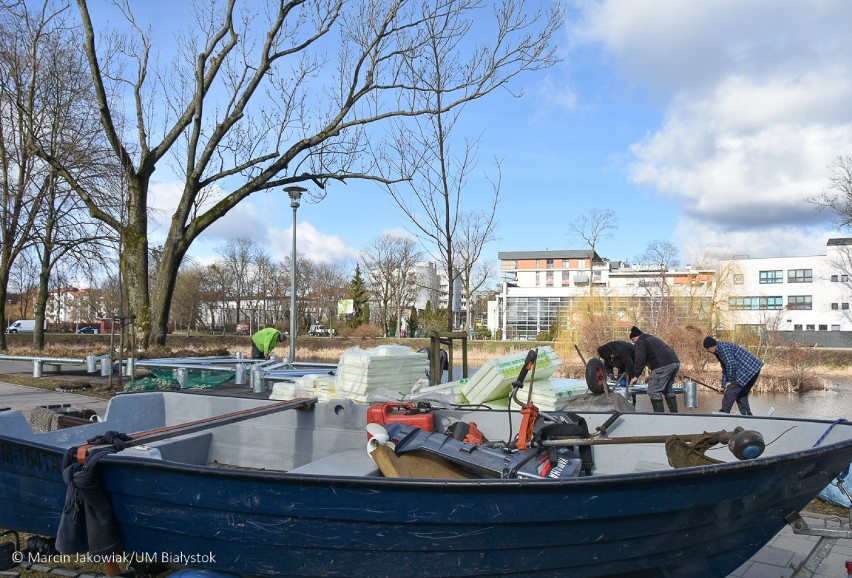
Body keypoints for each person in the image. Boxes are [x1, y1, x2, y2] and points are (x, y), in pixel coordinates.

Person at [702, 336, 763, 416]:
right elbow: (725, 369)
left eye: (707, 348)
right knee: (741, 394)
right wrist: (724, 385)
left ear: (712, 347)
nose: (707, 351)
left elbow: (731, 364)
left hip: (748, 369)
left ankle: (724, 412)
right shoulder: (719, 350)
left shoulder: (723, 349)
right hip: (754, 369)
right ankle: (747, 415)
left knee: (731, 389)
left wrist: (730, 381)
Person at [628, 326, 680, 413]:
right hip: (674, 363)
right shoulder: (651, 338)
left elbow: (640, 359)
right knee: (667, 390)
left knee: (653, 391)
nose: (633, 343)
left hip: (663, 365)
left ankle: (659, 419)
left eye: (632, 341)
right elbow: (656, 355)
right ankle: (675, 416)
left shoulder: (640, 342)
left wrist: (636, 376)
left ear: (634, 337)